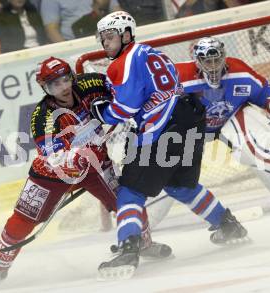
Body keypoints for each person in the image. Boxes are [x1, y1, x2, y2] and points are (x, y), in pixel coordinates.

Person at [0, 56, 171, 288]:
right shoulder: (43, 117)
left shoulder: (90, 84)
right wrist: (77, 155)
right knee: (24, 219)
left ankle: (143, 243)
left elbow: (121, 89)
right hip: (51, 175)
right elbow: (54, 157)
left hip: (96, 166)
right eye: (54, 85)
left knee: (126, 200)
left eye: (66, 79)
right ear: (45, 88)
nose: (64, 87)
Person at [92, 11, 248, 280]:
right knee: (180, 185)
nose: (105, 43)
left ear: (126, 34)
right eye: (102, 38)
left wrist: (101, 113)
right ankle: (228, 224)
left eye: (110, 36)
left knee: (130, 190)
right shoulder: (153, 53)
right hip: (190, 117)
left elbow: (125, 107)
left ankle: (130, 247)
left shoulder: (122, 62)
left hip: (163, 129)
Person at [175, 37, 270, 205]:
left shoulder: (240, 72)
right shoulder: (178, 77)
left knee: (262, 147)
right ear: (197, 61)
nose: (213, 65)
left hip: (230, 118)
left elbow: (264, 95)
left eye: (217, 59)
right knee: (164, 165)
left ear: (224, 56)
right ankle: (144, 211)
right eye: (207, 61)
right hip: (190, 127)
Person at [40, 0, 119, 42]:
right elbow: (51, 30)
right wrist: (68, 50)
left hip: (105, 40)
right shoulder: (49, 1)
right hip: (74, 44)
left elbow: (118, 13)